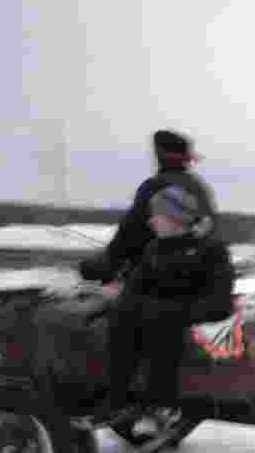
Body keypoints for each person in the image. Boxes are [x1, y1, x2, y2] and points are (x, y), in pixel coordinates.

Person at [92, 185, 235, 431]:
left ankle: (161, 406)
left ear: (173, 219)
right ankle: (118, 400)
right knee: (123, 313)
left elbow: (219, 303)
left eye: (155, 215)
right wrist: (119, 293)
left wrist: (165, 309)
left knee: (160, 323)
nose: (150, 221)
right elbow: (137, 288)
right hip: (156, 315)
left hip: (192, 316)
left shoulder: (210, 250)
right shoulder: (154, 250)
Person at [80, 129, 217, 289]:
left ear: (161, 155)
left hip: (159, 279)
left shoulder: (153, 187)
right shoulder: (199, 188)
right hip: (204, 275)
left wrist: (105, 265)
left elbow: (129, 234)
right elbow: (210, 230)